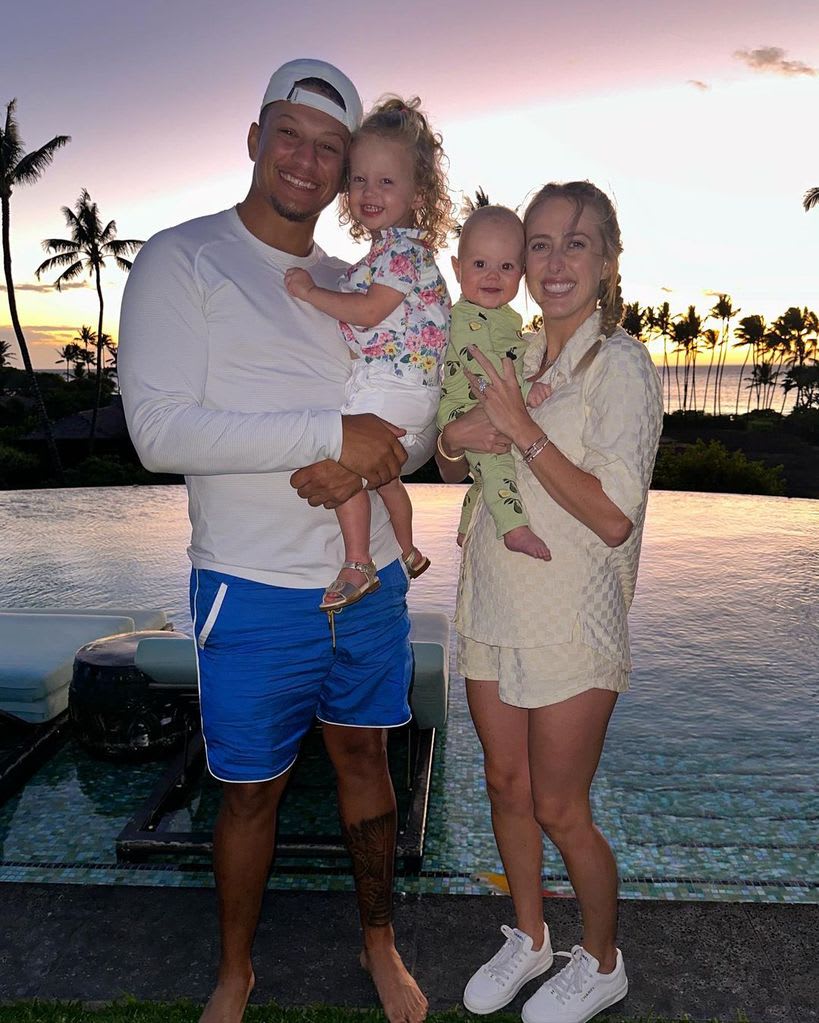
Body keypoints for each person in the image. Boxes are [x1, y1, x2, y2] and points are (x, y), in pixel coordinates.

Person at [118, 58, 431, 1023]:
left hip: (367, 576)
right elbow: (157, 432)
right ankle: (234, 968)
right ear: (255, 139)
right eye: (288, 134)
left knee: (368, 764)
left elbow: (405, 426)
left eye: (329, 147)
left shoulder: (354, 279)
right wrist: (328, 440)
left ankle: (380, 941)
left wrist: (367, 461)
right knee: (249, 791)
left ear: (346, 172)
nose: (306, 158)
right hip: (248, 586)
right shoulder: (183, 258)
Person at [436, 181, 663, 1023]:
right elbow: (454, 450)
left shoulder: (621, 365)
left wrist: (523, 429)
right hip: (491, 599)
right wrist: (456, 438)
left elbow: (612, 516)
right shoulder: (513, 346)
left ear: (606, 260)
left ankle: (600, 961)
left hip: (571, 616)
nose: (555, 261)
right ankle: (530, 936)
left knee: (562, 806)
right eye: (541, 243)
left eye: (577, 243)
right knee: (504, 783)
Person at [284, 96, 452, 612]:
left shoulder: (402, 252)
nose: (369, 192)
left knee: (343, 459)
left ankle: (358, 564)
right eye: (359, 180)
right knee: (387, 478)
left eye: (386, 182)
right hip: (398, 388)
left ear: (417, 192)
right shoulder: (386, 252)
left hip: (394, 388)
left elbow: (371, 311)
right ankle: (406, 551)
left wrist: (311, 293)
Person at [436, 205, 550, 558]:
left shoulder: (503, 316)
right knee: (498, 462)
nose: (492, 276)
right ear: (457, 268)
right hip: (467, 406)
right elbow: (483, 366)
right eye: (480, 264)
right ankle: (513, 529)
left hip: (483, 402)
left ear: (522, 273)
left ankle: (467, 524)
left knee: (489, 472)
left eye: (506, 267)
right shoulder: (465, 317)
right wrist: (528, 391)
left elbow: (508, 354)